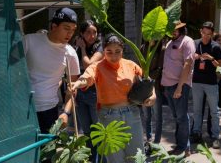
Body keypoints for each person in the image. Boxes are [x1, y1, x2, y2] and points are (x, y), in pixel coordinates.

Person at [71, 34, 156, 162]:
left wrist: (153, 96)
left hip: (132, 114)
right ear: (103, 51)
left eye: (118, 51)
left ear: (123, 51)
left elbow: (147, 81)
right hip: (108, 117)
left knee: (137, 156)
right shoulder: (97, 67)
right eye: (109, 52)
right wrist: (77, 84)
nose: (114, 56)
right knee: (115, 158)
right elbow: (87, 77)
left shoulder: (130, 65)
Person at [24, 7, 80, 133]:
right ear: (54, 26)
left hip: (49, 111)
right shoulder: (29, 41)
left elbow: (73, 88)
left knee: (47, 151)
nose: (70, 34)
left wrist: (66, 112)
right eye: (66, 28)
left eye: (73, 30)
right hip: (21, 108)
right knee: (22, 151)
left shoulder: (70, 53)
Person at [161, 21, 195, 156]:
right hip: (168, 85)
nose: (172, 32)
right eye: (170, 30)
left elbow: (188, 64)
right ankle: (182, 145)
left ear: (181, 29)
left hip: (179, 85)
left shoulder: (187, 41)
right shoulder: (169, 43)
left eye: (175, 30)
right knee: (177, 116)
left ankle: (184, 147)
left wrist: (180, 87)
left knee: (181, 117)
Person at [74, 20, 103, 162]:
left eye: (94, 32)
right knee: (86, 131)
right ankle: (90, 158)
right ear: (82, 34)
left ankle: (100, 159)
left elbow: (89, 65)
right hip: (79, 93)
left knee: (97, 130)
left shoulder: (100, 48)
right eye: (88, 32)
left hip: (94, 93)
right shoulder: (76, 48)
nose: (92, 35)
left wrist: (83, 48)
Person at [191, 21, 221, 149]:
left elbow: (220, 65)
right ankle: (196, 133)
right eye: (204, 33)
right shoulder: (195, 43)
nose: (206, 36)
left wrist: (211, 59)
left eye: (209, 34)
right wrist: (197, 57)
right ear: (201, 31)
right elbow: (189, 56)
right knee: (197, 110)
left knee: (214, 112)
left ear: (212, 34)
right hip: (197, 81)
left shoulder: (216, 47)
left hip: (211, 83)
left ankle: (215, 136)